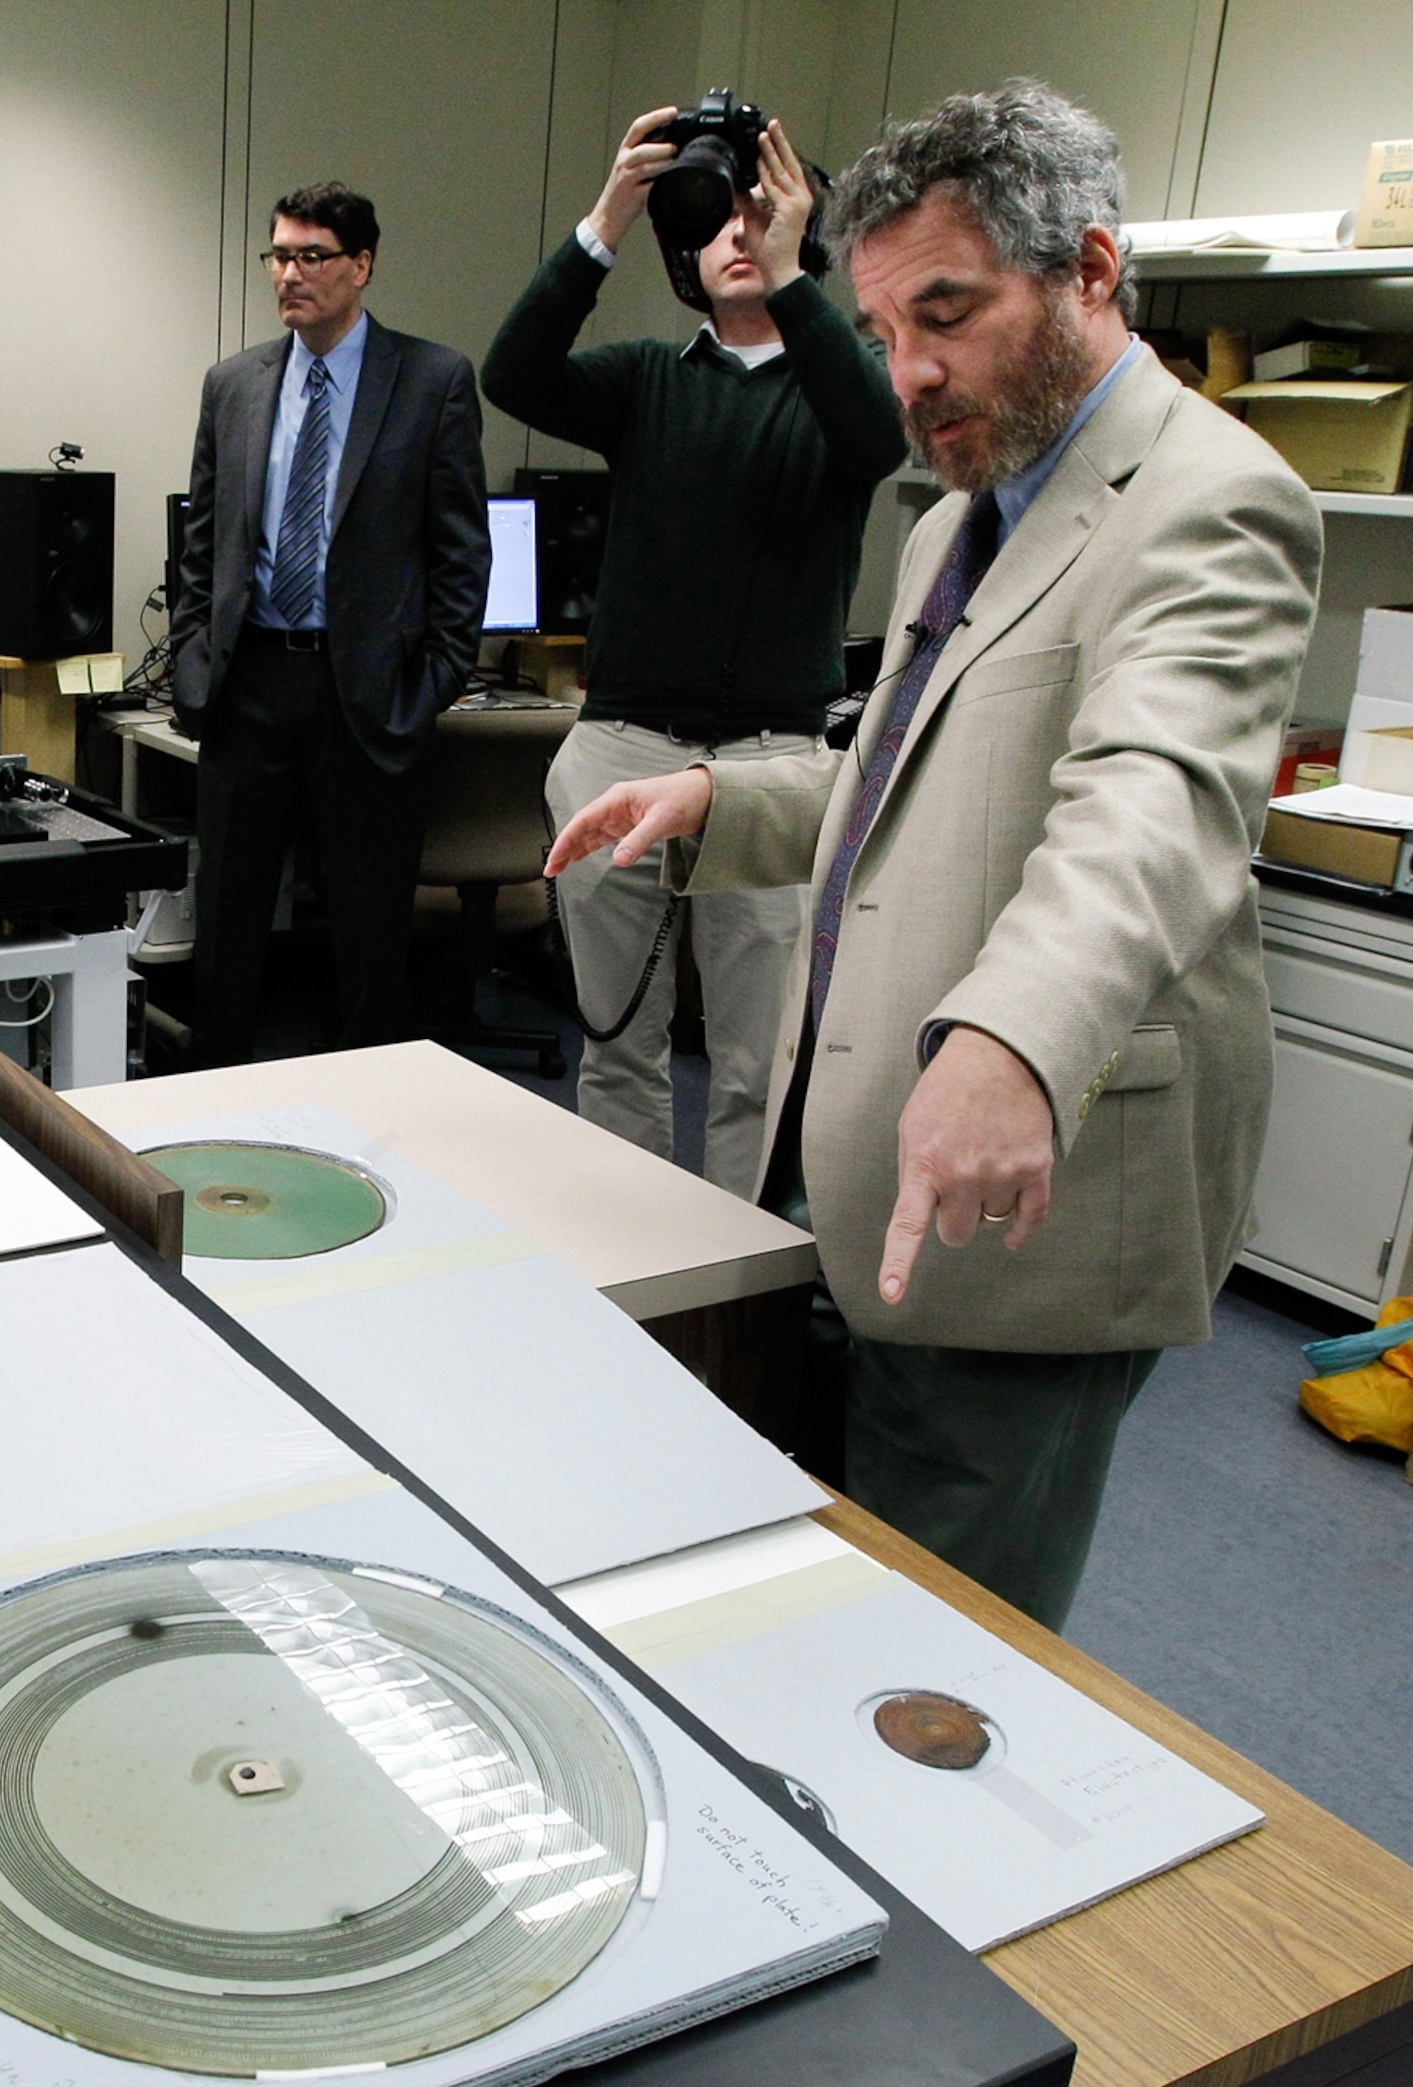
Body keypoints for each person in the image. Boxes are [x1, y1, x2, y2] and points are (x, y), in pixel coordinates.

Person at [547, 81, 1322, 1629]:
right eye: (886, 328)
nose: (908, 373)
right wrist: (723, 800)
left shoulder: (1213, 501)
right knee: (826, 1581)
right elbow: (910, 779)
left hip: (1020, 1229)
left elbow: (1150, 810)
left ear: (1089, 269)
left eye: (947, 316)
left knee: (946, 1641)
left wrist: (1014, 1040)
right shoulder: (956, 517)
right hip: (857, 1173)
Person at [482, 108, 904, 1192]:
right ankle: (639, 1252)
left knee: (757, 1063)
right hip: (621, 748)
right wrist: (609, 217)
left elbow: (877, 440)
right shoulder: (648, 380)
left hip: (770, 771)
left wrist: (798, 273)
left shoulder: (841, 383)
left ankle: (736, 1264)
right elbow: (513, 373)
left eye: (761, 216)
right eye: (713, 220)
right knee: (615, 1044)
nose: (737, 235)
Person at [169, 182, 489, 1069]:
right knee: (228, 917)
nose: (290, 274)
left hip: (369, 695)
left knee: (367, 925)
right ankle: (213, 1094)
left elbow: (462, 553)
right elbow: (204, 543)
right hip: (250, 683)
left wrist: (431, 684)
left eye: (312, 256)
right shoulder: (233, 384)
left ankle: (366, 1098)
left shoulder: (431, 381)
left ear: (362, 266)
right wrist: (195, 661)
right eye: (279, 255)